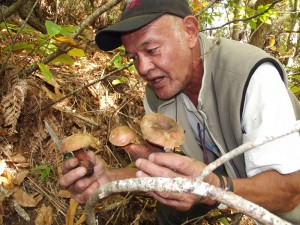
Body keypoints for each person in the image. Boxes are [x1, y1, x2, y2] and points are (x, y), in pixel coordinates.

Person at [59, 0, 300, 224]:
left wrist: (213, 188)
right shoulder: (157, 93)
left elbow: (289, 191)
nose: (142, 68)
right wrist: (109, 178)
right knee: (169, 208)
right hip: (225, 178)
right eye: (133, 57)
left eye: (152, 49)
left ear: (190, 31)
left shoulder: (251, 76)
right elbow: (162, 171)